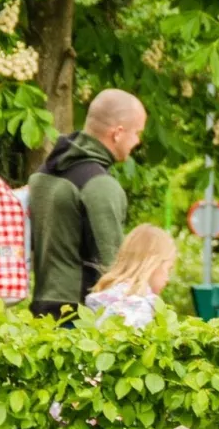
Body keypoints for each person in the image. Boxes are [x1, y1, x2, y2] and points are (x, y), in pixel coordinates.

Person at [28, 90, 147, 321]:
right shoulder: (99, 185)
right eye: (137, 133)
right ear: (118, 133)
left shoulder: (45, 173)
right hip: (79, 316)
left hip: (42, 309)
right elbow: (113, 266)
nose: (138, 141)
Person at [84, 225, 177, 330]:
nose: (167, 278)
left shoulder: (105, 297)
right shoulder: (139, 306)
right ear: (152, 264)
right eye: (168, 269)